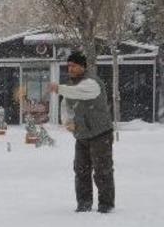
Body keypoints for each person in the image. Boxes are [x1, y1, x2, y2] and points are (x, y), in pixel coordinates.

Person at [49, 51, 115, 213]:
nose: (70, 69)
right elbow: (66, 106)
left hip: (100, 134)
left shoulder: (92, 83)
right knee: (81, 170)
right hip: (82, 135)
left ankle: (106, 205)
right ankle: (84, 203)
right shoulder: (71, 86)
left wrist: (59, 88)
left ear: (82, 66)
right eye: (68, 66)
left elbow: (78, 92)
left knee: (102, 170)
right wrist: (67, 121)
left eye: (74, 65)